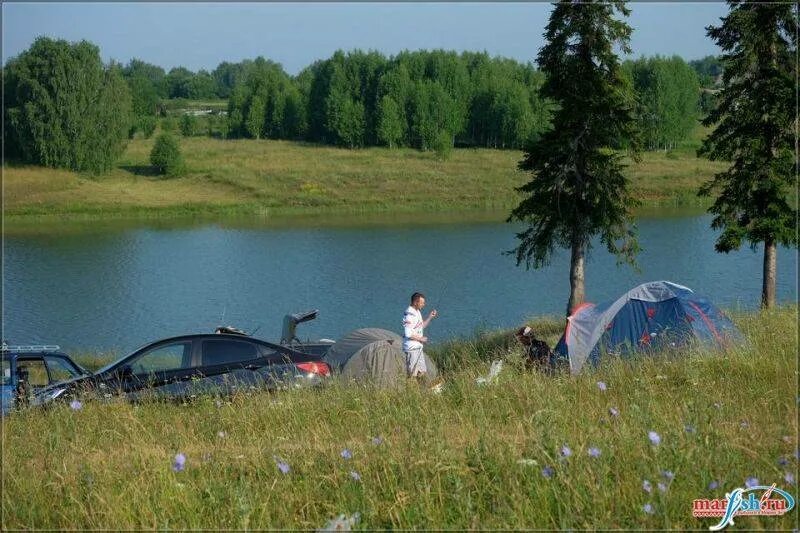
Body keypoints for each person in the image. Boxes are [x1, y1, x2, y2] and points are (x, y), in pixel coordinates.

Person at [402, 292, 438, 377]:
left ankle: (419, 389)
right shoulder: (409, 315)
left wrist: (430, 317)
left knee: (422, 372)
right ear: (415, 302)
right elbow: (408, 334)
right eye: (422, 303)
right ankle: (411, 389)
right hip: (412, 348)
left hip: (418, 348)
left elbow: (421, 327)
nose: (423, 305)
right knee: (412, 374)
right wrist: (421, 339)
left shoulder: (417, 312)